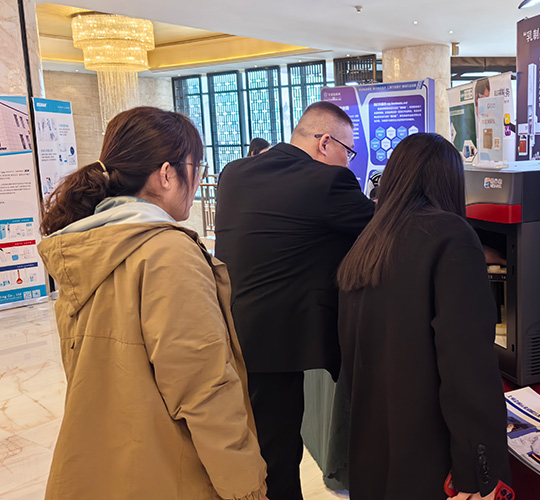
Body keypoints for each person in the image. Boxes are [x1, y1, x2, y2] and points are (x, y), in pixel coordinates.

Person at [37, 107, 267, 500]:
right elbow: (204, 389)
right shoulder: (168, 253)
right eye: (196, 166)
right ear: (165, 174)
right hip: (168, 472)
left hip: (103, 465)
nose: (199, 179)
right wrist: (247, 487)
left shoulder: (83, 247)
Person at [337, 133, 512, 499]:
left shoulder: (368, 242)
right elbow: (466, 366)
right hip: (429, 461)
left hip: (373, 454)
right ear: (450, 182)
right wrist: (478, 472)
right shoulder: (452, 235)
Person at [215, 101, 375, 500]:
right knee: (279, 456)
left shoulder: (234, 173)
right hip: (276, 345)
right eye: (348, 152)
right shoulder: (326, 182)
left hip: (228, 331)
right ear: (325, 143)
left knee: (250, 447)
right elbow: (386, 227)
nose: (349, 163)